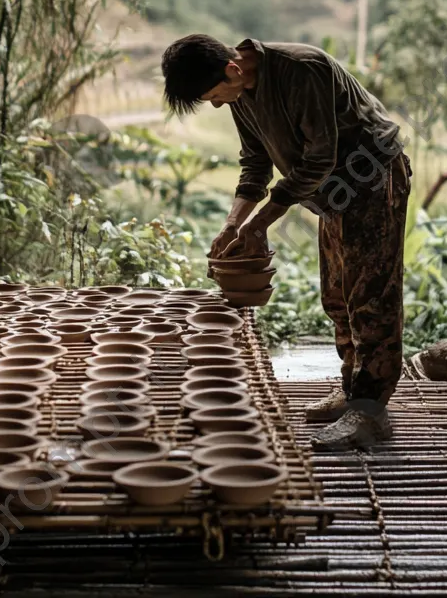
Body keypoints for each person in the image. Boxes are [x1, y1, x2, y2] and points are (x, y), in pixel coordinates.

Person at [161, 34, 410, 449]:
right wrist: (233, 224)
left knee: (370, 298)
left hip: (371, 177)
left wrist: (260, 224)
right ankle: (354, 393)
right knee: (337, 296)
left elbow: (319, 157)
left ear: (232, 68)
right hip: (332, 192)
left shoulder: (301, 69)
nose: (219, 104)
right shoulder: (241, 92)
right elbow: (256, 163)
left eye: (214, 96)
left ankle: (371, 412)